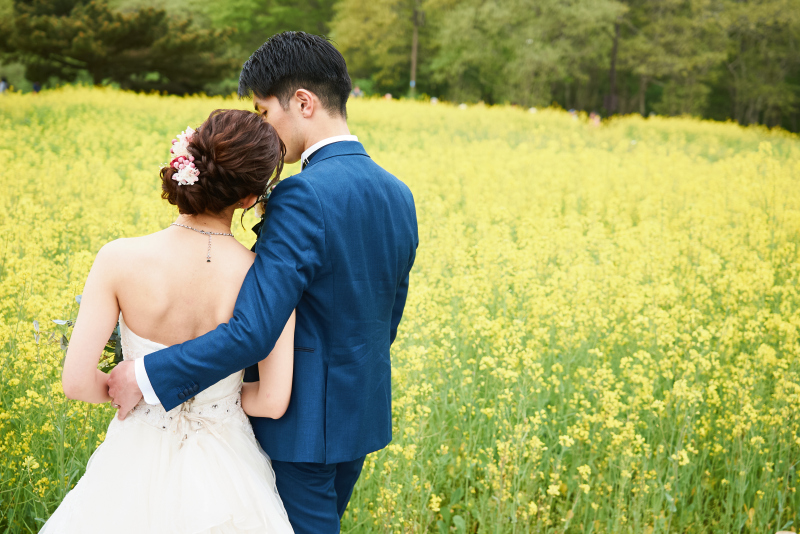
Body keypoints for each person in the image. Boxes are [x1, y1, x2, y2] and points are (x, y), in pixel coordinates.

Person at [108, 31, 419, 533]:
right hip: (358, 415)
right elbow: (388, 316)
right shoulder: (396, 192)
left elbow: (255, 330)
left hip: (300, 428)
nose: (265, 130)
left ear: (303, 102)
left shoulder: (301, 196)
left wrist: (147, 376)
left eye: (264, 111)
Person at [41, 109, 295, 533]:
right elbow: (272, 401)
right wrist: (223, 398)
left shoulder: (118, 258)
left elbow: (77, 383)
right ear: (249, 198)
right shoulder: (267, 276)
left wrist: (141, 394)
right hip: (227, 462)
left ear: (188, 165)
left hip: (134, 451)